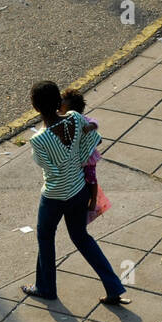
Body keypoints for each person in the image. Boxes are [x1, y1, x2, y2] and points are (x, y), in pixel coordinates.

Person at [21, 80, 129, 305]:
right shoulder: (76, 118)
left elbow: (49, 168)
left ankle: (46, 287)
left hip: (54, 196)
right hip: (79, 190)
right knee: (82, 238)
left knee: (45, 237)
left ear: (35, 107)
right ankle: (113, 286)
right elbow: (90, 145)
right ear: (59, 101)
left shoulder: (39, 139)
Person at [59, 88, 109, 223]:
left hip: (88, 157)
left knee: (91, 178)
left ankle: (93, 200)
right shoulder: (65, 122)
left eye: (62, 109)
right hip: (79, 158)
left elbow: (94, 122)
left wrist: (90, 127)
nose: (59, 111)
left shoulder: (82, 120)